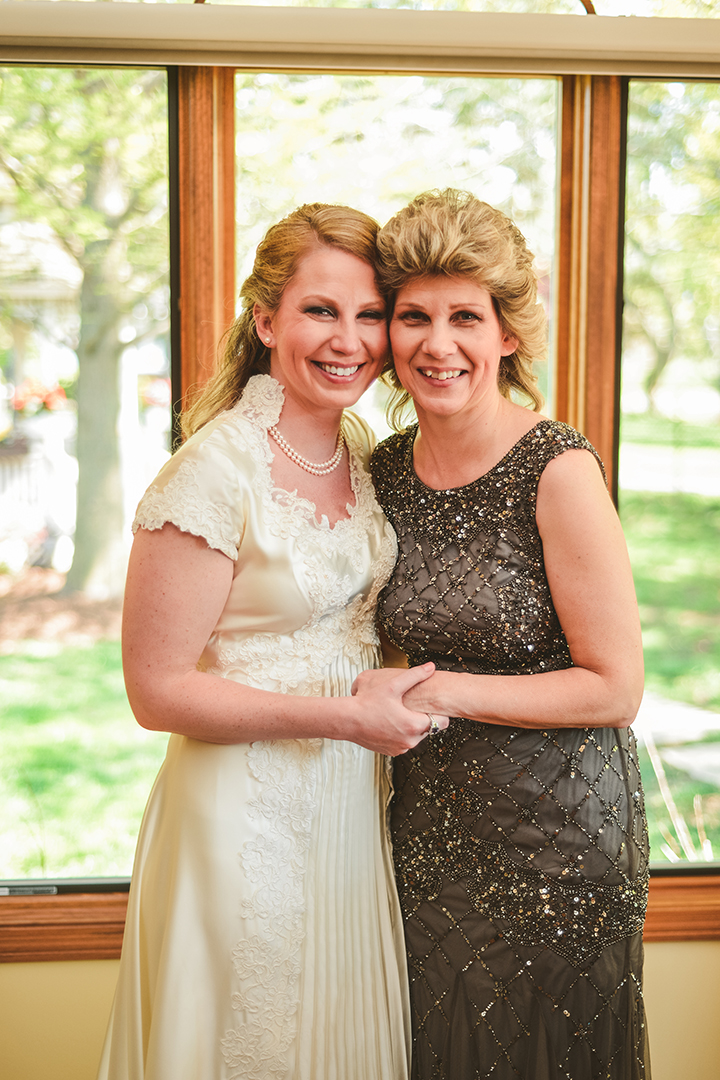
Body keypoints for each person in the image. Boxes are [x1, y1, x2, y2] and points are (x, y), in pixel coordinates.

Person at [97, 202, 448, 1080]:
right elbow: (157, 691)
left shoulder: (362, 461)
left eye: (371, 314)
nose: (350, 340)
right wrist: (347, 723)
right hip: (240, 816)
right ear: (266, 320)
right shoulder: (211, 473)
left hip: (346, 809)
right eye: (321, 310)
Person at [358, 189, 650, 1080]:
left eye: (464, 318)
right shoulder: (382, 473)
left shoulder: (555, 468)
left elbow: (615, 686)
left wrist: (439, 690)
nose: (437, 345)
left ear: (507, 334)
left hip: (562, 844)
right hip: (432, 834)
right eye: (415, 317)